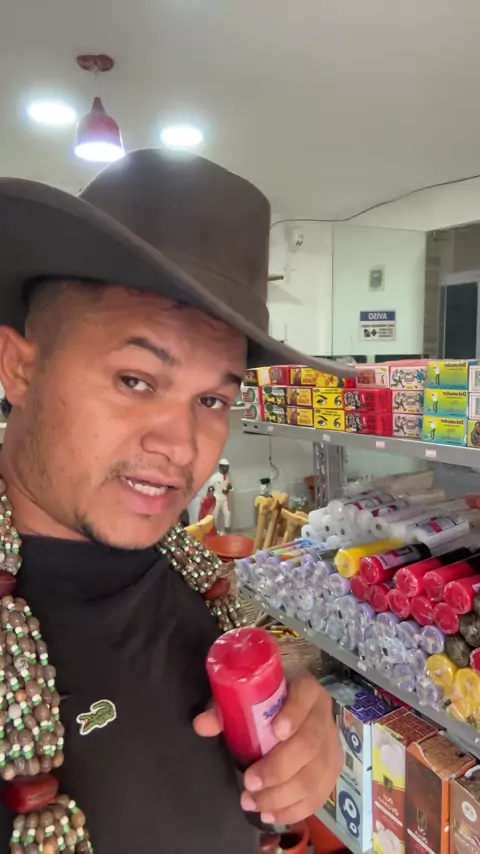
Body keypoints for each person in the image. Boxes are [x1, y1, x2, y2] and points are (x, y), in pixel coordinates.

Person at [0, 148, 349, 853]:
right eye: (136, 380)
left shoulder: (197, 585)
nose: (182, 445)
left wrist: (298, 750)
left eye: (213, 399)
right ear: (19, 368)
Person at [209, 458, 233, 532]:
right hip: (216, 498)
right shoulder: (214, 477)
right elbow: (210, 488)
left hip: (225, 498)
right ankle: (213, 531)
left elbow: (230, 487)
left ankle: (227, 530)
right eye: (224, 467)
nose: (226, 469)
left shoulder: (227, 477)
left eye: (227, 467)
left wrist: (228, 489)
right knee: (214, 515)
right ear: (220, 467)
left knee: (228, 514)